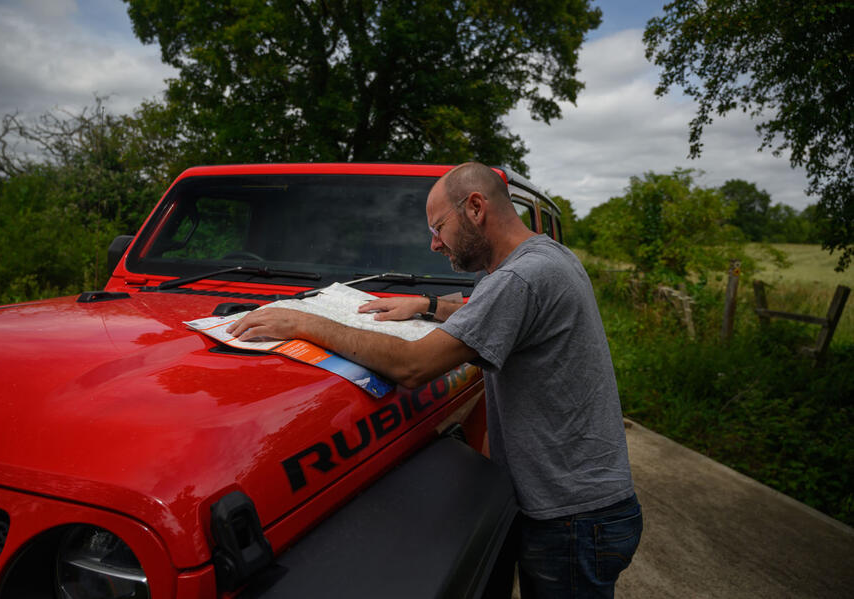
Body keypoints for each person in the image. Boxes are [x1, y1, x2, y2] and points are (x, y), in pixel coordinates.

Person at [227, 162, 642, 598]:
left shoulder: (522, 277)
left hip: (572, 521)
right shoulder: (544, 257)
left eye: (438, 226)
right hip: (586, 507)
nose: (433, 242)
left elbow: (413, 365)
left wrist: (303, 322)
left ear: (476, 208)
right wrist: (425, 304)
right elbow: (486, 308)